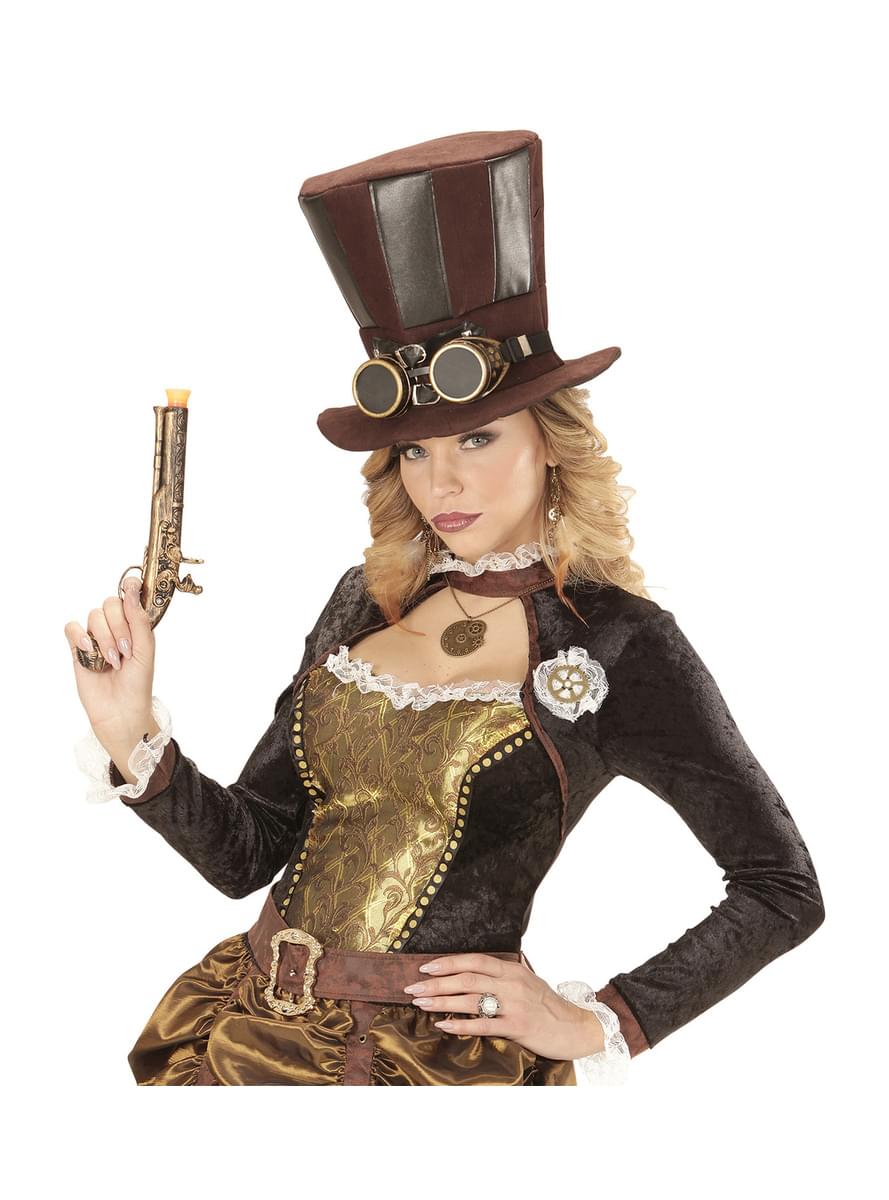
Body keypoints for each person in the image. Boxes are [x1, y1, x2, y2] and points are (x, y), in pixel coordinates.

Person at [66, 130, 825, 1086]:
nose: (440, 482)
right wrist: (132, 733)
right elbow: (248, 852)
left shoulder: (620, 642)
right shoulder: (363, 601)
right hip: (240, 1028)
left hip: (430, 1069)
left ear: (550, 439)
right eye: (414, 450)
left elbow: (780, 889)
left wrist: (601, 1021)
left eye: (475, 437)